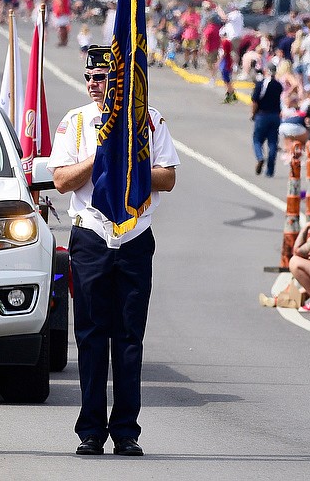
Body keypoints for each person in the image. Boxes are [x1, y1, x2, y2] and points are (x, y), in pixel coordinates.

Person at [47, 46, 179, 457]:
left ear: (118, 82)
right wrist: (101, 154)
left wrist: (131, 161)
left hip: (135, 236)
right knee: (90, 335)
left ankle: (126, 430)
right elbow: (63, 180)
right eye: (88, 78)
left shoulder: (148, 120)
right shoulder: (76, 122)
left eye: (101, 79)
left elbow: (168, 178)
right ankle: (90, 430)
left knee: (128, 338)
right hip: (91, 237)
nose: (93, 86)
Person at [251, 65, 284, 177]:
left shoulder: (261, 84)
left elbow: (255, 101)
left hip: (263, 115)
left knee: (257, 140)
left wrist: (253, 114)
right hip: (275, 116)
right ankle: (270, 171)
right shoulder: (278, 85)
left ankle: (260, 157)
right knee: (273, 142)